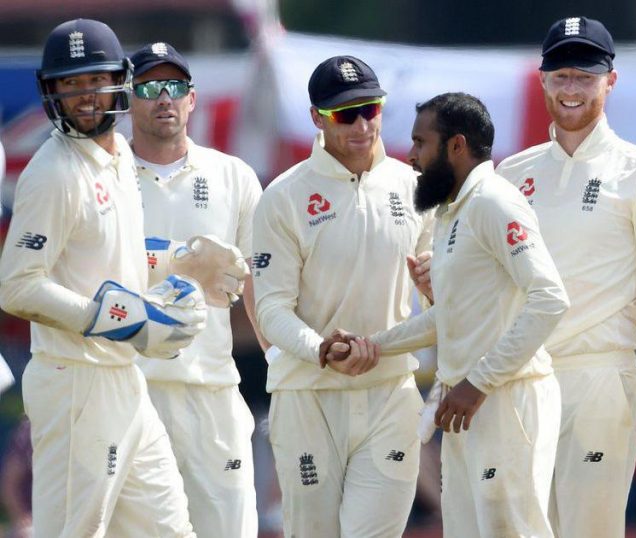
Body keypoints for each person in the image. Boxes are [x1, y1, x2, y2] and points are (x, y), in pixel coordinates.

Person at [327, 92, 570, 537]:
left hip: (506, 401)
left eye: (421, 142)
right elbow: (450, 317)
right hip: (466, 405)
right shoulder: (452, 212)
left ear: (457, 146)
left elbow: (550, 298)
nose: (411, 155)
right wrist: (370, 345)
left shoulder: (495, 202)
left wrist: (478, 383)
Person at [0, 19, 206, 537]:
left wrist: (186, 257)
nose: (85, 96)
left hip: (123, 380)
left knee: (170, 531)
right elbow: (17, 284)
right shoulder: (53, 172)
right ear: (52, 92)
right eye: (71, 84)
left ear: (120, 81)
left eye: (96, 80)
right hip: (75, 383)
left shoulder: (117, 157)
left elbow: (109, 251)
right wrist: (119, 319)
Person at [494, 17, 636, 537]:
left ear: (610, 81)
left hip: (600, 375)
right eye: (561, 76)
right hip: (522, 380)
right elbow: (492, 283)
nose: (572, 88)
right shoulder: (511, 174)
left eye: (585, 76)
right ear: (543, 80)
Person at [251, 55, 432, 537]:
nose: (360, 125)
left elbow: (447, 300)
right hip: (308, 395)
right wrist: (321, 350)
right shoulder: (284, 196)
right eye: (344, 114)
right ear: (317, 118)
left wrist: (436, 287)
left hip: (390, 391)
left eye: (369, 110)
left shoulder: (416, 188)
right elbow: (271, 308)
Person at [128, 41, 264, 537]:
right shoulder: (105, 175)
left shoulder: (233, 176)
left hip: (212, 389)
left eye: (174, 86)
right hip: (130, 388)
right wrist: (178, 258)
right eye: (149, 87)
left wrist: (281, 369)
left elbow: (259, 289)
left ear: (192, 98)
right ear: (128, 99)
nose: (163, 97)